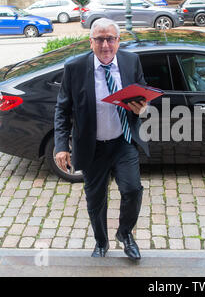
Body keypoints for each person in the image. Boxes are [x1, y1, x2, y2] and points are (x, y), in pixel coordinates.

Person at [54, 18, 148, 261]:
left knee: (133, 190)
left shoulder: (131, 61)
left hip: (122, 142)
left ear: (118, 41)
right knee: (96, 200)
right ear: (91, 41)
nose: (105, 45)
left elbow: (142, 96)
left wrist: (141, 109)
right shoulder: (74, 68)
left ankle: (125, 234)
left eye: (110, 39)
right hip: (92, 147)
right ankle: (101, 242)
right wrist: (61, 146)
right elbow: (62, 110)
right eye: (100, 39)